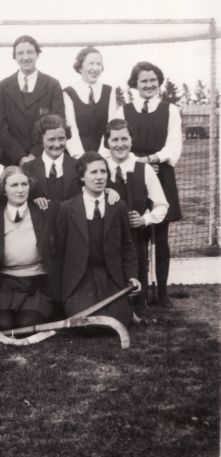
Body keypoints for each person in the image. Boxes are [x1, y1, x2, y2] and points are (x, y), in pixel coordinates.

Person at [119, 61, 182, 307]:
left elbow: (173, 145)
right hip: (134, 174)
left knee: (161, 235)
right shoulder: (123, 110)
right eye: (143, 81)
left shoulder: (170, 109)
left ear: (159, 82)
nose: (148, 85)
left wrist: (155, 159)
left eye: (153, 80)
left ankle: (163, 292)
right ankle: (140, 293)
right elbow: (119, 143)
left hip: (162, 172)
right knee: (137, 235)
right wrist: (142, 163)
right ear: (135, 84)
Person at [56, 152, 141, 328]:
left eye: (103, 172)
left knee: (118, 319)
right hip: (80, 280)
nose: (99, 177)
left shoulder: (118, 207)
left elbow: (127, 247)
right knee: (83, 322)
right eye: (93, 172)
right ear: (82, 177)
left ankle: (126, 312)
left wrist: (132, 277)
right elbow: (59, 251)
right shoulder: (67, 208)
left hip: (110, 277)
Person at [104, 118, 169, 314]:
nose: (120, 144)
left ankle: (138, 304)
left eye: (124, 138)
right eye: (114, 140)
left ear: (131, 140)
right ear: (107, 142)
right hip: (106, 236)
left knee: (136, 275)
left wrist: (144, 219)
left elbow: (162, 205)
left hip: (135, 237)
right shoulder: (100, 167)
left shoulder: (144, 169)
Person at [0, 166, 59, 330]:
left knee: (26, 323)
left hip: (38, 282)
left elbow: (75, 206)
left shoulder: (44, 211)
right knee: (4, 325)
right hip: (6, 283)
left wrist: (106, 192)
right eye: (14, 185)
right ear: (4, 190)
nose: (20, 190)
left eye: (24, 184)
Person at [0, 35, 65, 167]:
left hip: (46, 156)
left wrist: (34, 155)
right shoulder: (3, 87)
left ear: (37, 54)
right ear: (14, 57)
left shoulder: (52, 85)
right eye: (20, 53)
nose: (25, 57)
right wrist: (20, 157)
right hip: (12, 159)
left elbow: (57, 123)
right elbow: (1, 127)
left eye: (30, 52)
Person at [63, 46, 118, 158]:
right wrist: (80, 157)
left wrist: (103, 156)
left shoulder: (110, 91)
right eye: (91, 63)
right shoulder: (68, 93)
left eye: (99, 64)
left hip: (105, 154)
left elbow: (111, 125)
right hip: (77, 156)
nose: (95, 68)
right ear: (80, 67)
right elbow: (71, 128)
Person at [24, 114, 81, 206]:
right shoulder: (28, 168)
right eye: (51, 140)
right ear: (41, 139)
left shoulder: (77, 165)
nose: (57, 144)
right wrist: (33, 202)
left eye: (61, 139)